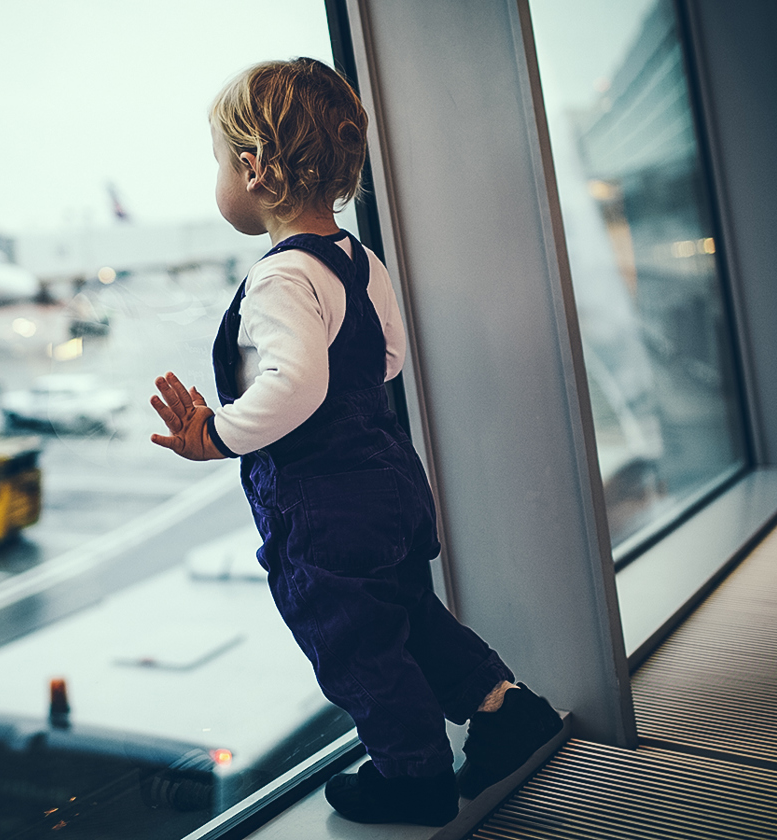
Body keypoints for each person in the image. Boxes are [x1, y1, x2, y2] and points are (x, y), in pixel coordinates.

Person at [148, 57, 563, 827]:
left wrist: (220, 432)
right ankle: (506, 709)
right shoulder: (355, 259)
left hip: (328, 506)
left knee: (353, 642)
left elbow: (296, 386)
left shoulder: (279, 279)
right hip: (390, 482)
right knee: (406, 612)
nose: (217, 179)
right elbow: (389, 359)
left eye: (217, 161)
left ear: (255, 168)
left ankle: (413, 776)